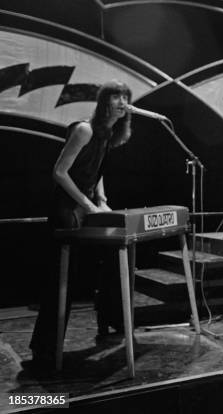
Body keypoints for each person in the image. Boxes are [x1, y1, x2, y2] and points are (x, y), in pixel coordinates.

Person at [28, 80, 133, 371]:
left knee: (111, 257)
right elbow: (59, 172)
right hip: (66, 209)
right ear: (104, 102)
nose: (122, 102)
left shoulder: (108, 133)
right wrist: (87, 205)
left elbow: (97, 170)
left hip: (84, 206)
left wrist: (101, 198)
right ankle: (45, 349)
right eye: (116, 97)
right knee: (63, 282)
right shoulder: (85, 129)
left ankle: (111, 323)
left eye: (126, 97)